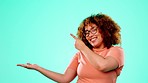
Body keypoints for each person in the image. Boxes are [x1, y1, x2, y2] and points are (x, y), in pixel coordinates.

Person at [17, 13, 124, 83]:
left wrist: (82, 47)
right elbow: (65, 79)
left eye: (93, 30)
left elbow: (103, 66)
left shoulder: (116, 51)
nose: (90, 35)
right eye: (86, 32)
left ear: (105, 30)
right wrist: (37, 67)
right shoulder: (80, 54)